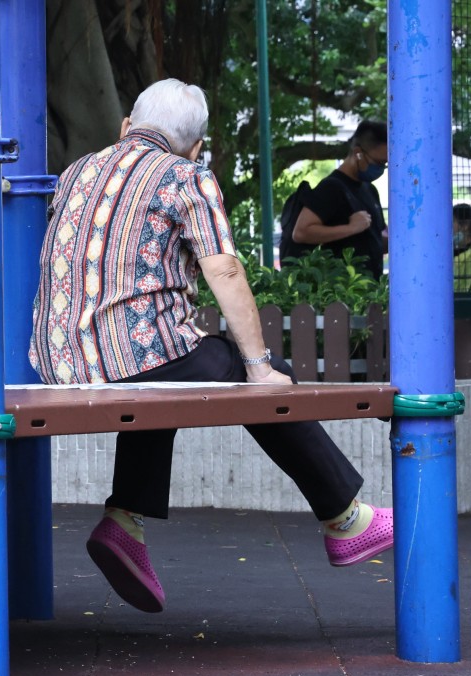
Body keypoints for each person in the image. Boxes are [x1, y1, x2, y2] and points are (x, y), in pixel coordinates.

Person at [29, 79, 393, 614]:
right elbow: (223, 267)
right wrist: (261, 366)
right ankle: (344, 518)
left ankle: (125, 520)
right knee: (245, 372)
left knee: (167, 373)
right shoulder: (186, 177)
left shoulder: (77, 170)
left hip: (58, 360)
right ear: (196, 146)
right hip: (134, 356)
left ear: (125, 127)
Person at [291, 121, 389, 280]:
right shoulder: (331, 188)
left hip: (371, 289)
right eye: (378, 163)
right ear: (358, 153)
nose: (381, 169)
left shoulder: (369, 190)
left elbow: (375, 240)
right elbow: (301, 232)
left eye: (385, 164)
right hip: (343, 291)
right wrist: (350, 228)